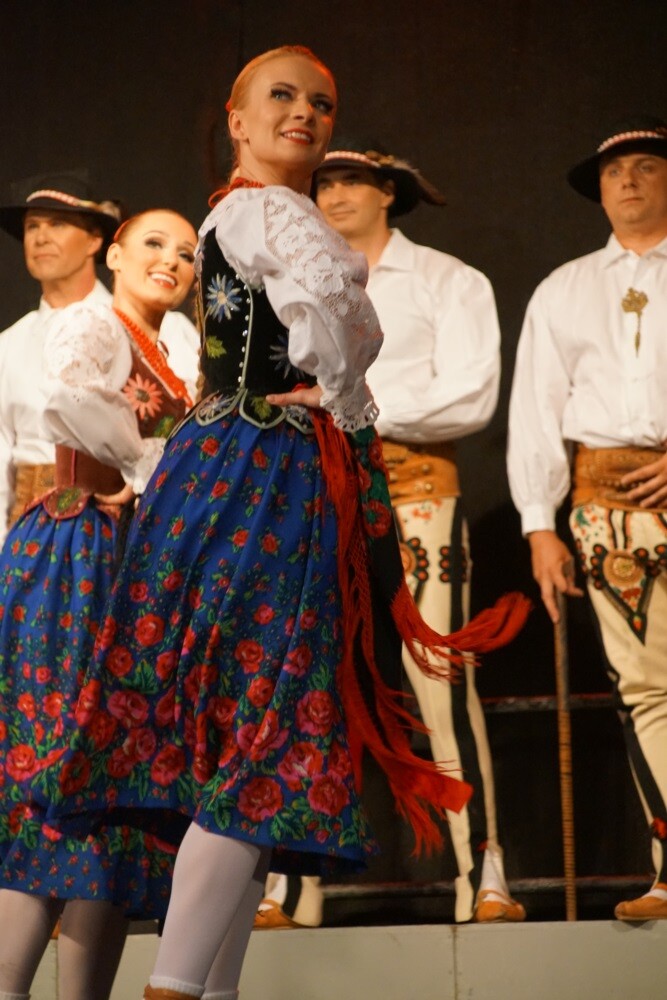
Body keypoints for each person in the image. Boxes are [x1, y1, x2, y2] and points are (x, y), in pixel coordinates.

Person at [33, 46, 527, 1000]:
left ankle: (199, 987)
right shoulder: (271, 213)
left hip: (228, 466)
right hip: (265, 473)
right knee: (261, 726)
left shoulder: (241, 212)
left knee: (240, 733)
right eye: (283, 97)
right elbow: (337, 333)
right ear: (236, 119)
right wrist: (343, 402)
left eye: (321, 104)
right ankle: (178, 986)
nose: (304, 113)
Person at [310, 141, 526, 925]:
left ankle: (483, 872)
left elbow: (469, 395)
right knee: (312, 683)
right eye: (324, 183)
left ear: (388, 193)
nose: (335, 194)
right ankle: (291, 887)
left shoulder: (446, 279)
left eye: (352, 181)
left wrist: (357, 412)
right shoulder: (303, 287)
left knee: (438, 679)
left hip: (415, 489)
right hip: (321, 496)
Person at [0, 208, 198, 1000]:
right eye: (153, 244)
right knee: (61, 760)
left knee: (116, 784)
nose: (171, 260)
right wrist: (139, 475)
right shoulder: (94, 323)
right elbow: (69, 400)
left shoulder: (165, 347)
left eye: (187, 254)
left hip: (127, 558)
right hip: (77, 550)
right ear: (113, 254)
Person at [507, 114, 667, 921]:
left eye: (645, 166)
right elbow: (536, 408)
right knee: (645, 688)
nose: (627, 181)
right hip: (606, 503)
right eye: (612, 172)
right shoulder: (564, 288)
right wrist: (539, 523)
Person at [0, 173, 200, 547]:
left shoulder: (170, 332)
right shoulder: (10, 344)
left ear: (97, 242)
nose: (41, 238)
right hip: (64, 531)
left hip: (144, 522)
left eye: (58, 224)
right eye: (32, 227)